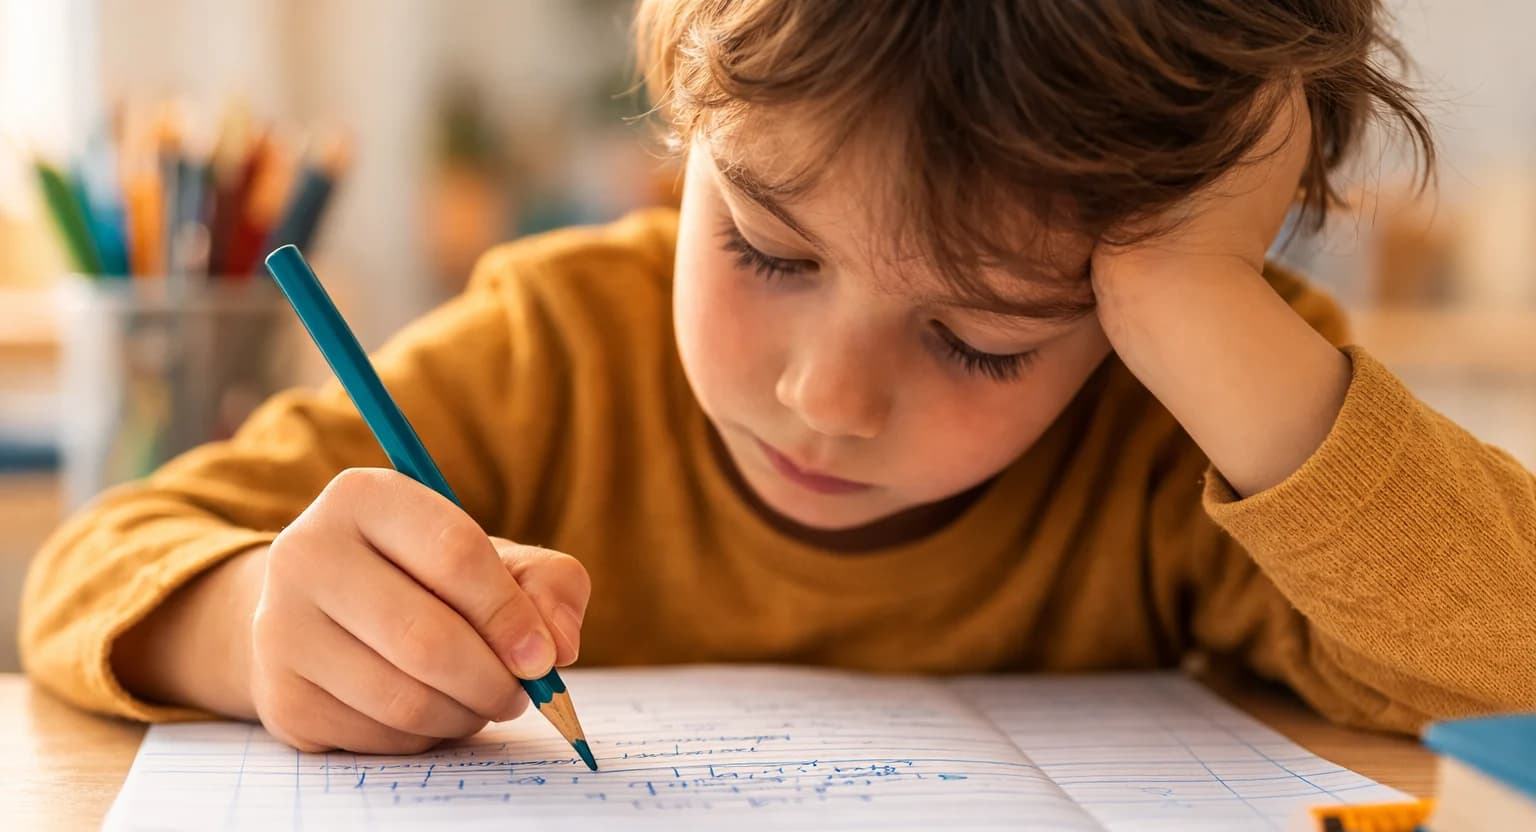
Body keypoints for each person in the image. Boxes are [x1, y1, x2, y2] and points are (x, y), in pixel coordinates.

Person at [21, 1, 1536, 754]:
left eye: (983, 338)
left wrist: (1197, 294)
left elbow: (1513, 661)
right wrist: (244, 626)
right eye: (764, 247)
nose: (828, 396)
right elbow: (89, 570)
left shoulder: (1187, 427)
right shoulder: (556, 353)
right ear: (688, 134)